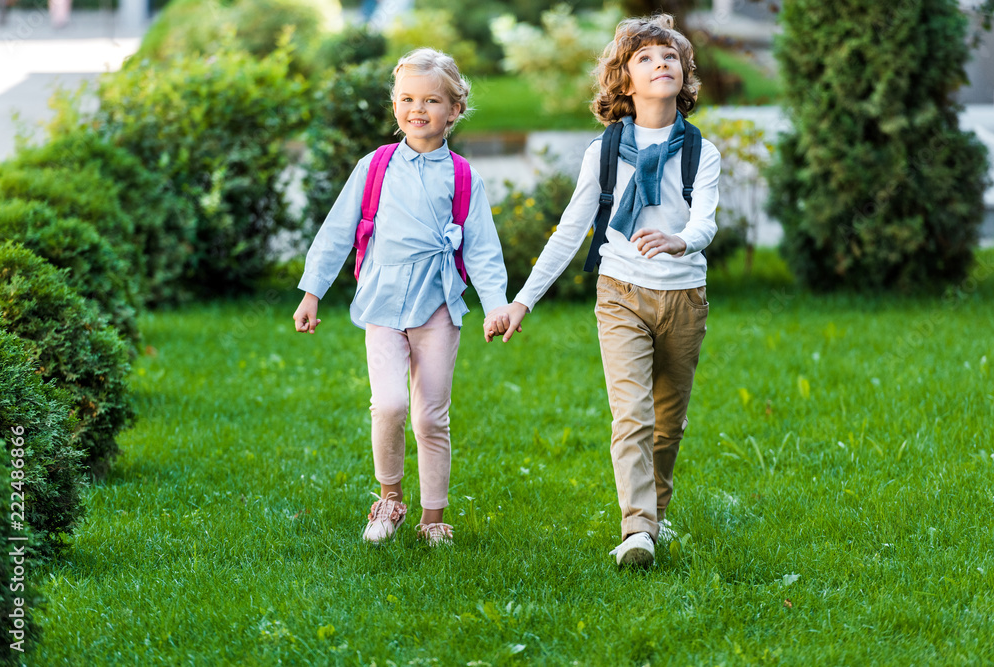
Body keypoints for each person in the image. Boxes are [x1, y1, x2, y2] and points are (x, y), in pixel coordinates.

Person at [485, 14, 721, 569]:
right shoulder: (606, 151)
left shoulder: (700, 152)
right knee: (632, 415)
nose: (659, 64)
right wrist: (524, 300)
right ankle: (637, 529)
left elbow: (706, 222)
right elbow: (571, 229)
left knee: (669, 423)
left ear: (684, 74)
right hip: (620, 292)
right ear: (624, 81)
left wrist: (680, 240)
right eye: (645, 58)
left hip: (684, 295)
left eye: (669, 57)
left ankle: (656, 513)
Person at [294, 48, 509, 547]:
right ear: (394, 105)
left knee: (430, 415)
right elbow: (336, 232)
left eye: (432, 100)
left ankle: (434, 518)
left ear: (454, 110)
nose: (418, 109)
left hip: (437, 305)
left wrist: (496, 303)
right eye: (408, 98)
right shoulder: (375, 167)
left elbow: (482, 250)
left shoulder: (463, 177)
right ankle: (389, 500)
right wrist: (312, 292)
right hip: (384, 303)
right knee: (389, 405)